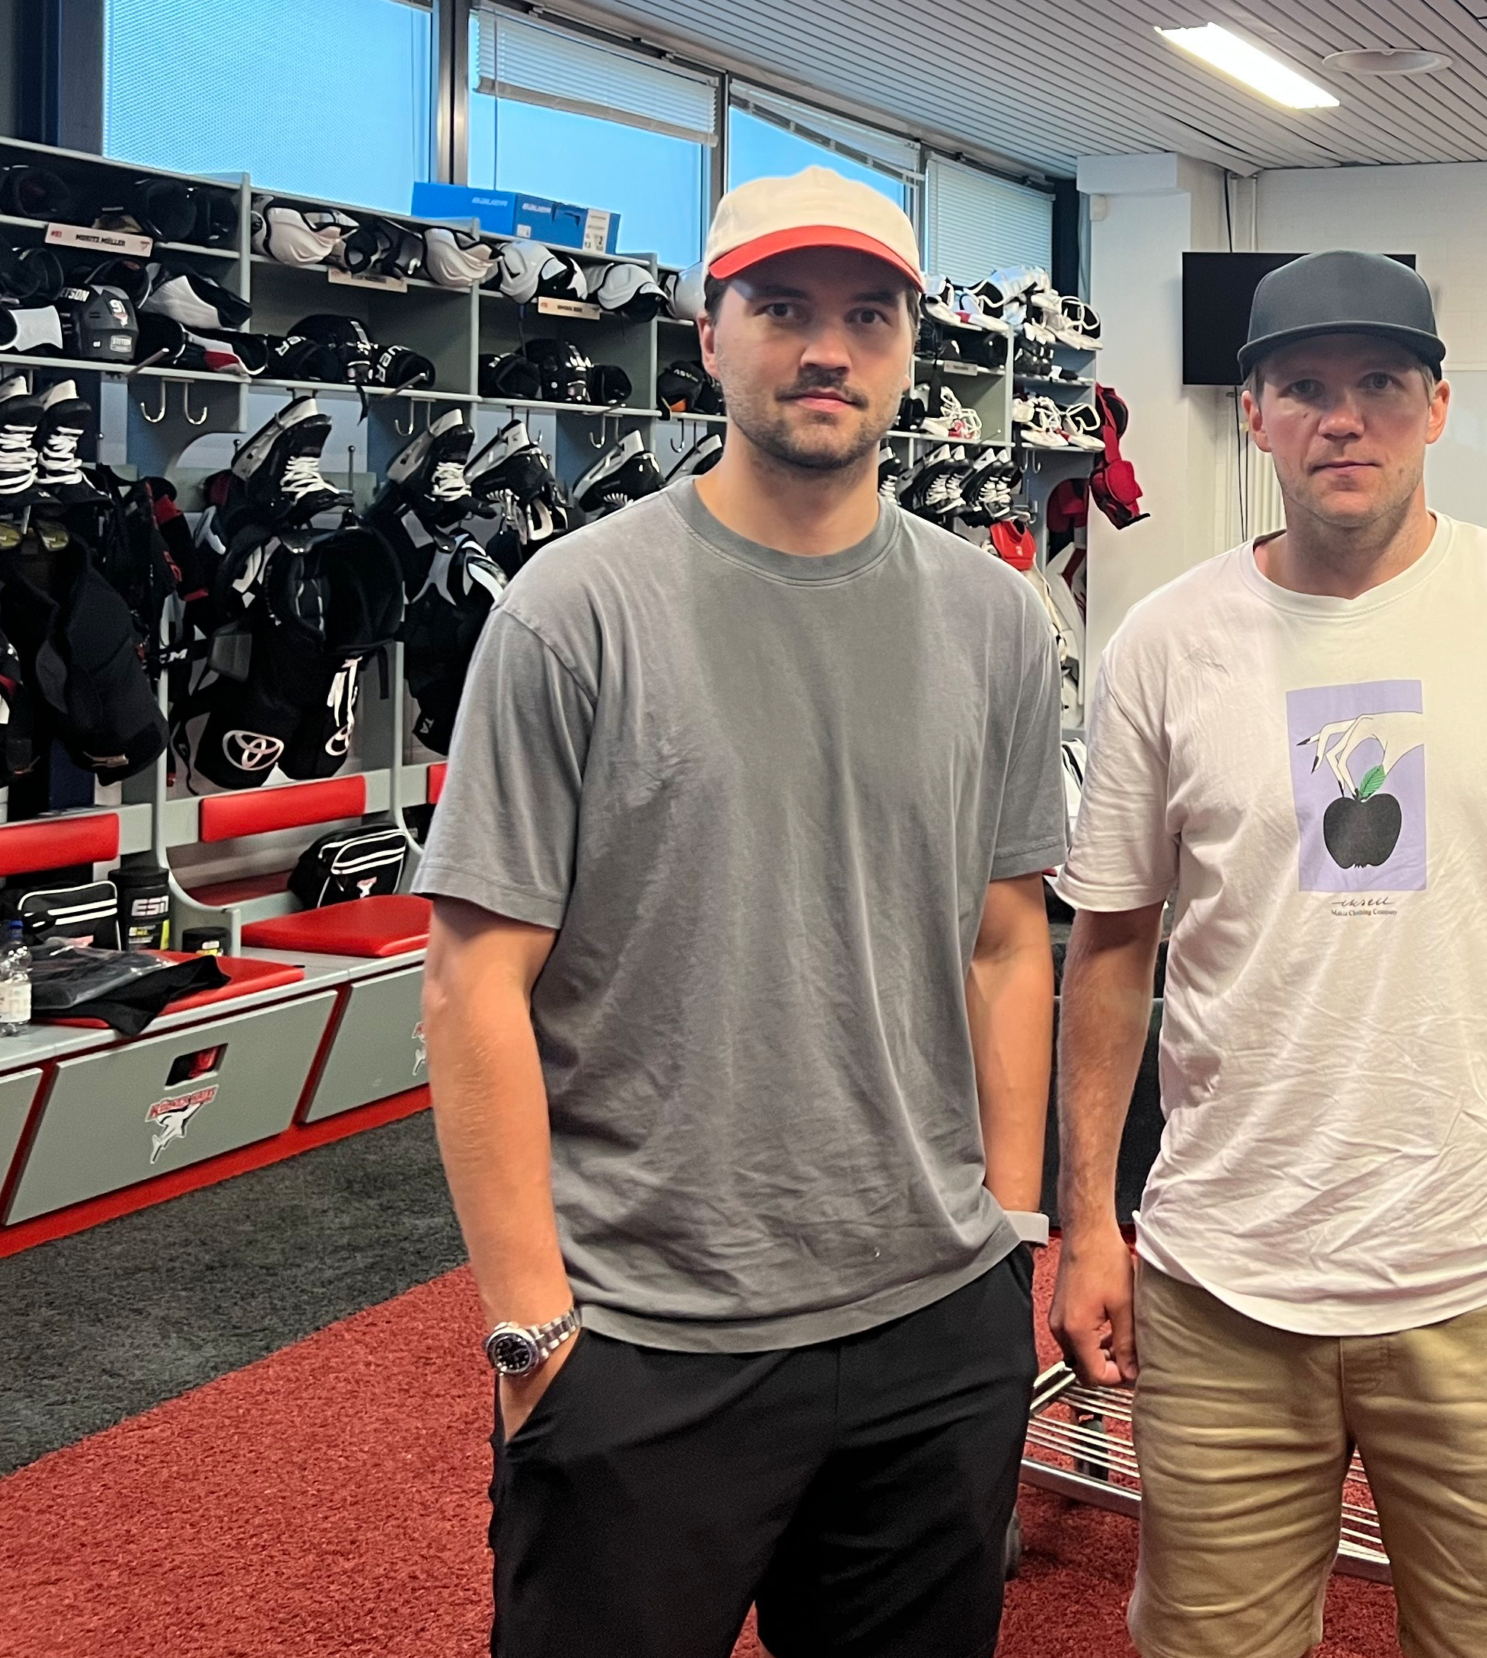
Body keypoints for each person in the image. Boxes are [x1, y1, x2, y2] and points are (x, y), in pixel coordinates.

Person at [417, 166, 1067, 1658]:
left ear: (911, 349)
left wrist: (1011, 1230)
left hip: (935, 1321)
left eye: (867, 315)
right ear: (709, 336)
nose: (826, 349)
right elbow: (472, 985)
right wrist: (531, 1326)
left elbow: (1005, 937)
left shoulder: (994, 621)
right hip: (646, 1335)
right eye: (781, 309)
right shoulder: (573, 610)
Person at [1049, 250, 1487, 1658]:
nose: (1343, 418)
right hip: (1224, 1287)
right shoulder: (1164, 645)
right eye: (1304, 387)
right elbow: (1110, 943)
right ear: (1253, 413)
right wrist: (1087, 1222)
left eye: (1379, 384)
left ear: (1438, 405)